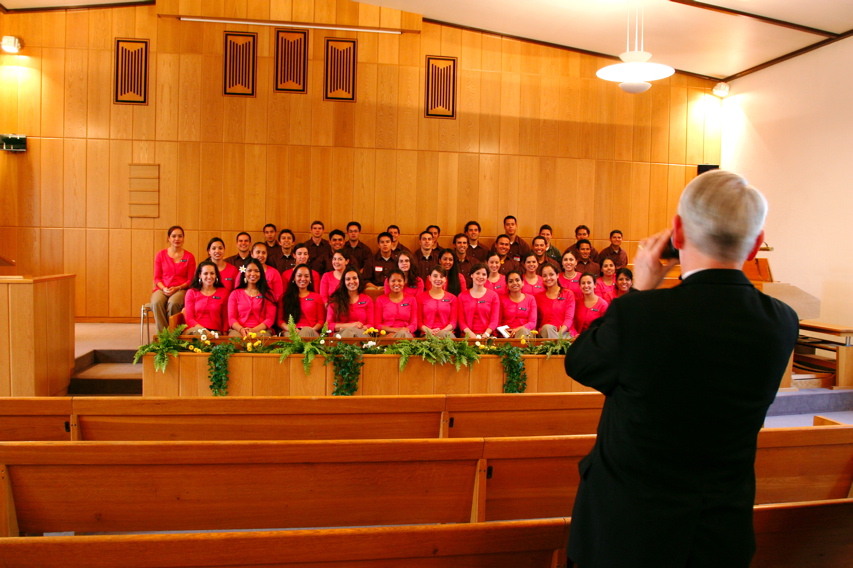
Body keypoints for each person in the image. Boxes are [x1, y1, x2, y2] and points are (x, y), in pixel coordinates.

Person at [564, 170, 799, 568]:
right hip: (720, 533)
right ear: (757, 244)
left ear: (678, 232)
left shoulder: (642, 314)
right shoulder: (780, 320)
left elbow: (581, 361)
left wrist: (639, 289)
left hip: (627, 533)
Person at [150, 225, 196, 332]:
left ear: (183, 238)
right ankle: (163, 336)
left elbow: (190, 280)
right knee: (157, 302)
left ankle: (174, 334)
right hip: (162, 288)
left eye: (180, 236)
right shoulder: (160, 255)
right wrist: (164, 288)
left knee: (173, 303)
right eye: (174, 236)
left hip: (181, 289)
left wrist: (177, 288)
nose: (177, 239)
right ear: (169, 238)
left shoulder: (189, 257)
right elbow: (157, 278)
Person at [227, 258, 276, 337]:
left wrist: (253, 331)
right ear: (244, 273)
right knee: (235, 340)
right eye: (249, 270)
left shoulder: (269, 294)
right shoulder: (235, 294)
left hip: (261, 331)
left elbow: (270, 319)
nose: (253, 274)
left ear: (261, 274)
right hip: (238, 330)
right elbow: (231, 319)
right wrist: (241, 329)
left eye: (256, 271)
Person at [278, 264, 325, 338]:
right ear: (294, 278)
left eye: (306, 276)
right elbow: (280, 321)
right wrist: (291, 329)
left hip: (311, 332)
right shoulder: (284, 297)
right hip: (291, 332)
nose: (303, 279)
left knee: (306, 331)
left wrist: (311, 330)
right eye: (299, 276)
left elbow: (321, 321)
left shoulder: (317, 297)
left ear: (310, 279)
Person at [326, 266, 374, 337]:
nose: (352, 281)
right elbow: (328, 325)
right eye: (348, 279)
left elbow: (371, 324)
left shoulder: (367, 300)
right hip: (340, 335)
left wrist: (359, 328)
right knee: (348, 331)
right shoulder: (336, 300)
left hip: (361, 334)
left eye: (354, 278)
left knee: (351, 331)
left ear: (359, 280)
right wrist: (350, 326)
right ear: (344, 282)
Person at [183, 260, 228, 335]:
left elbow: (225, 317)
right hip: (195, 331)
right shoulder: (191, 292)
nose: (209, 276)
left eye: (212, 273)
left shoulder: (224, 292)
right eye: (205, 273)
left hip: (215, 333)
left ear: (216, 275)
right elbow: (189, 319)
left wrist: (225, 336)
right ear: (200, 275)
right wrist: (204, 331)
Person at [458, 263, 500, 339]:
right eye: (477, 273)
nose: (480, 277)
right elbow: (461, 321)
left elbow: (494, 320)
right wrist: (472, 336)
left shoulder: (493, 296)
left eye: (484, 274)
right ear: (471, 275)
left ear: (487, 277)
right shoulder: (462, 296)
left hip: (488, 337)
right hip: (467, 337)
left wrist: (485, 335)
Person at [374, 269, 418, 338]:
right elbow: (377, 325)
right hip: (386, 335)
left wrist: (404, 330)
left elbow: (414, 325)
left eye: (399, 281)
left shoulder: (411, 299)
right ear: (388, 282)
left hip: (406, 334)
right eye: (393, 281)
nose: (396, 283)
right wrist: (395, 331)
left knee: (403, 335)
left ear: (404, 282)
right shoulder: (380, 300)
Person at [537, 264, 576, 339]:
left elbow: (569, 318)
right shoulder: (538, 297)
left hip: (564, 333)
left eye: (551, 274)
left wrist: (559, 334)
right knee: (547, 328)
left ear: (557, 275)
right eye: (544, 276)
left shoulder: (568, 294)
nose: (548, 278)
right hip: (545, 334)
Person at [417, 266, 458, 338]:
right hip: (427, 334)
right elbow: (419, 322)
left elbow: (453, 322)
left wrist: (442, 331)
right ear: (429, 278)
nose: (438, 279)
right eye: (435, 276)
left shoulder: (452, 298)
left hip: (447, 334)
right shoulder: (420, 298)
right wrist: (430, 331)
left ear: (445, 279)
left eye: (441, 277)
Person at [499, 270, 537, 338]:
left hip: (526, 334)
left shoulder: (530, 299)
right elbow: (498, 322)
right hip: (507, 336)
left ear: (522, 283)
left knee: (523, 331)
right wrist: (508, 332)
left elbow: (532, 323)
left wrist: (517, 330)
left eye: (517, 280)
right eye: (511, 281)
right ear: (507, 285)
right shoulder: (501, 299)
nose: (514, 283)